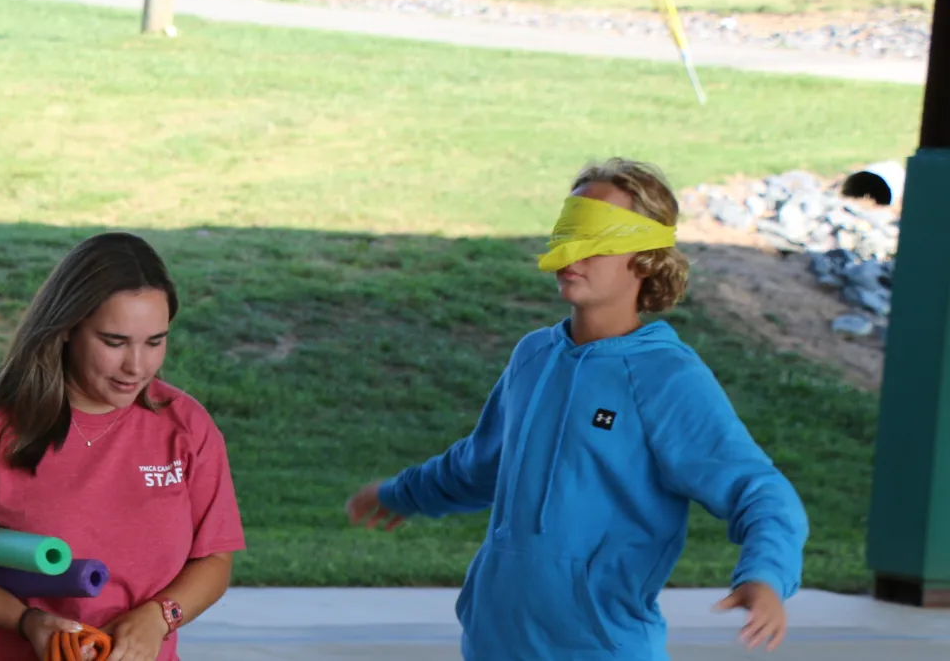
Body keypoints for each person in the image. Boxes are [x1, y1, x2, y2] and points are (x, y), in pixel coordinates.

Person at [345, 158, 810, 659]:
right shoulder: (533, 356)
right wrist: (403, 493)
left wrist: (765, 576)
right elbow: (480, 465)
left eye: (596, 240)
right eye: (567, 233)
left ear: (645, 256)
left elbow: (760, 492)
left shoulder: (667, 378)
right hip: (492, 644)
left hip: (600, 648)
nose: (571, 254)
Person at [0, 232, 246, 661]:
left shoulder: (186, 426)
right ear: (65, 330)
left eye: (155, 341)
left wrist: (158, 617)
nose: (136, 366)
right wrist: (26, 622)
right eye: (114, 342)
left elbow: (214, 559)